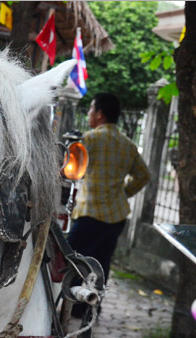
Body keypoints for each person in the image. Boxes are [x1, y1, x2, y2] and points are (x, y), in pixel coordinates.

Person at [68, 92, 151, 316]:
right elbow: (144, 176)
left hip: (89, 213)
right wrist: (123, 193)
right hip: (115, 216)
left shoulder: (89, 139)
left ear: (100, 114)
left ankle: (71, 305)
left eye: (91, 110)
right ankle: (91, 308)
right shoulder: (128, 145)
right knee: (102, 262)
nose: (88, 114)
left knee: (72, 258)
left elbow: (72, 171)